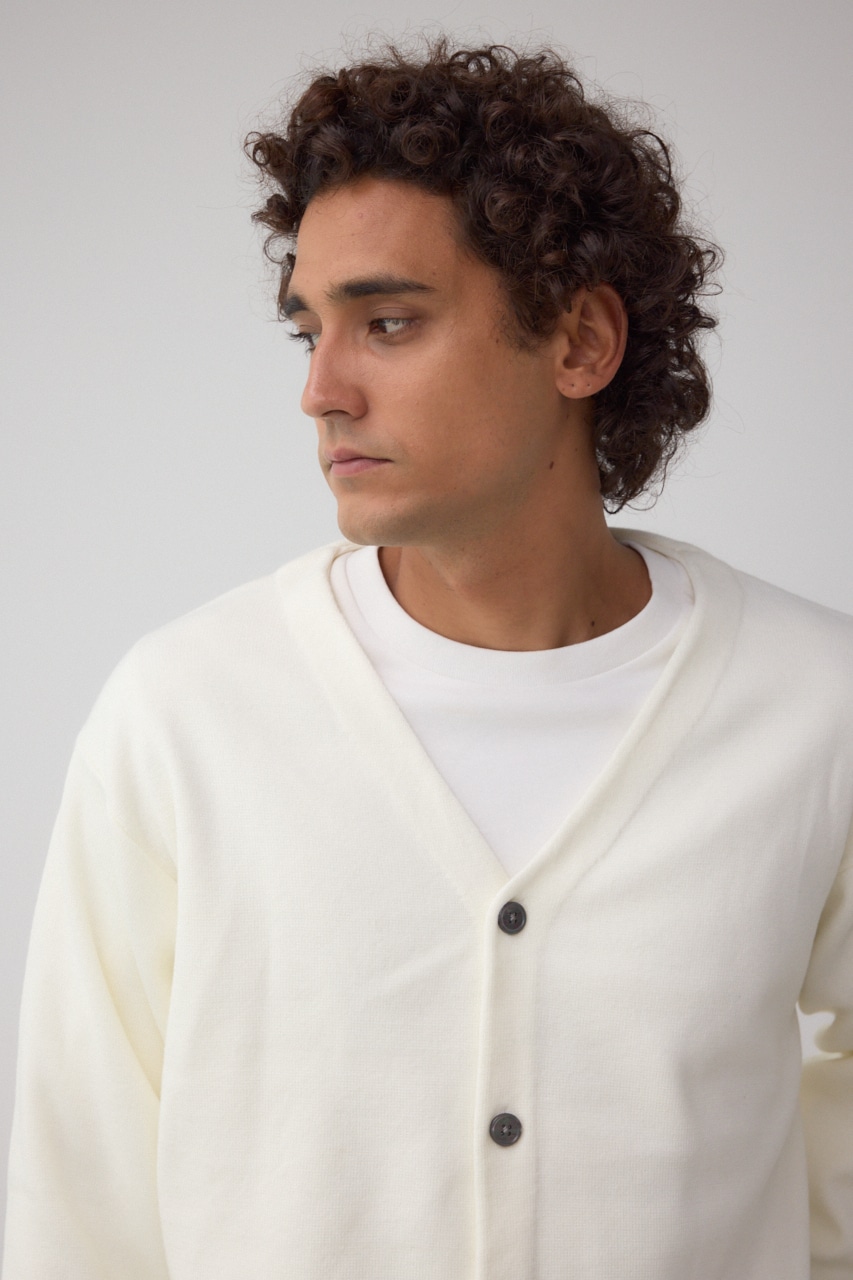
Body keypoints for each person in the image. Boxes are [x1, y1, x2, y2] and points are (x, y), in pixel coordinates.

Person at [3, 38, 852, 1280]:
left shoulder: (813, 707)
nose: (322, 390)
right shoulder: (184, 714)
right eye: (308, 331)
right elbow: (76, 1197)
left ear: (579, 341)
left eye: (388, 322)